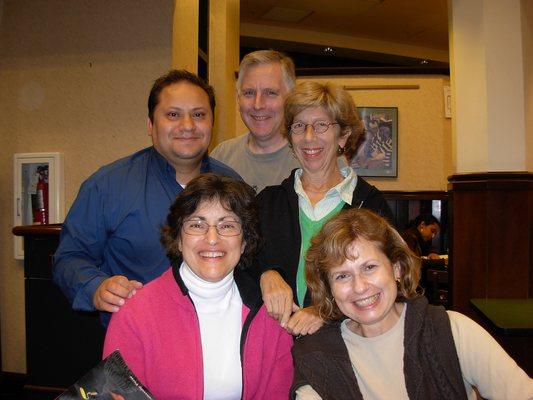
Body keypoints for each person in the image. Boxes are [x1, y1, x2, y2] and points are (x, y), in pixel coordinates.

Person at [53, 70, 241, 326]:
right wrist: (96, 286)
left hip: (219, 336)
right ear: (150, 125)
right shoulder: (107, 186)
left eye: (198, 115)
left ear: (211, 123)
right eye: (173, 115)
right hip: (138, 340)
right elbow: (69, 257)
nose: (187, 125)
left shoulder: (233, 184)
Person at [291, 208, 533, 400]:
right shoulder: (315, 355)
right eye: (342, 275)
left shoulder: (453, 331)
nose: (360, 286)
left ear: (396, 268)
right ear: (329, 288)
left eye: (370, 267)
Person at [103, 173, 294, 400]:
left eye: (227, 225)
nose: (212, 238)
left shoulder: (269, 313)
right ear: (179, 239)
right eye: (197, 224)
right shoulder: (135, 314)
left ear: (244, 241)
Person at [256, 81, 394, 336]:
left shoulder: (371, 205)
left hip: (344, 348)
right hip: (274, 348)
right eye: (299, 126)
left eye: (321, 125)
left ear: (343, 135)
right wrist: (267, 273)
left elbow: (388, 285)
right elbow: (242, 262)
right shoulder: (268, 201)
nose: (309, 137)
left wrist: (325, 311)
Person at [210, 50, 300, 192]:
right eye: (249, 93)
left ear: (290, 98)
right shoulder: (221, 158)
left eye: (270, 93)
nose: (258, 105)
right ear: (238, 98)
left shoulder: (314, 156)